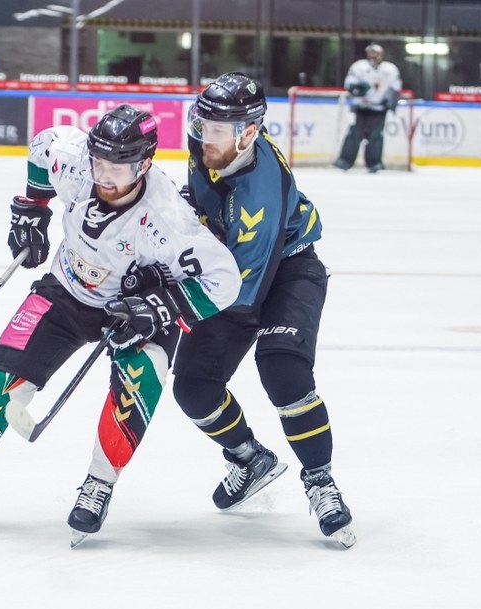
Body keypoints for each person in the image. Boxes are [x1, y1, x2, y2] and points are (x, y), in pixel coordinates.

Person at [0, 105, 241, 546]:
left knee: (139, 383)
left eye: (118, 166)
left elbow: (225, 281)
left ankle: (99, 484)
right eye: (100, 161)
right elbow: (42, 145)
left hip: (133, 307)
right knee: (2, 382)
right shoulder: (75, 158)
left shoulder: (169, 217)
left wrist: (163, 306)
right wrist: (32, 207)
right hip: (65, 290)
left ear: (145, 162)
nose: (104, 174)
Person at [176, 72, 356, 548]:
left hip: (285, 271)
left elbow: (241, 291)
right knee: (193, 389)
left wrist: (166, 306)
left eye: (215, 128)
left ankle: (320, 480)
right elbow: (195, 199)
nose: (201, 134)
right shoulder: (211, 140)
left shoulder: (260, 196)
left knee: (282, 370)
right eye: (201, 121)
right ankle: (248, 457)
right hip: (230, 268)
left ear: (248, 133)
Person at [334, 43, 402, 173]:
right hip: (360, 107)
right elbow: (349, 84)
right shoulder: (359, 66)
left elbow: (395, 87)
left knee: (376, 136)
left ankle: (374, 163)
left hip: (379, 108)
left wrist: (389, 102)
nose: (373, 56)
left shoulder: (390, 69)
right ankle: (344, 161)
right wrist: (358, 89)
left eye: (376, 53)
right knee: (354, 134)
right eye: (371, 53)